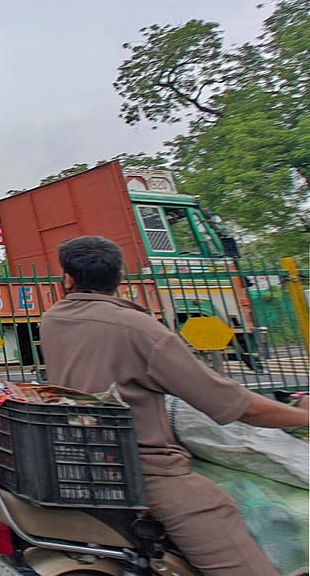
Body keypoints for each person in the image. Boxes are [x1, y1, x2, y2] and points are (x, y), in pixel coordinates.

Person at [40, 236, 309, 576]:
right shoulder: (141, 329)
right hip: (143, 471)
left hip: (81, 455)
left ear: (67, 279)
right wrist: (302, 416)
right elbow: (232, 404)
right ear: (120, 277)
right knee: (229, 533)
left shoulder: (53, 320)